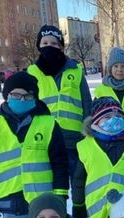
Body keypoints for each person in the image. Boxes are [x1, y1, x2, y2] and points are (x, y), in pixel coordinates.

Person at [0, 72, 69, 218]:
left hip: (43, 199)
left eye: (27, 95)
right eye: (16, 95)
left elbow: (60, 162)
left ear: (34, 98)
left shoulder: (48, 123)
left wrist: (60, 196)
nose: (22, 99)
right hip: (10, 200)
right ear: (7, 95)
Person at [27, 25, 92, 182]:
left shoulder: (75, 70)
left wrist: (89, 134)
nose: (50, 47)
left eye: (55, 43)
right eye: (45, 43)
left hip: (73, 138)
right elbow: (28, 105)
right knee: (51, 185)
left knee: (79, 184)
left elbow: (86, 103)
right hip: (44, 138)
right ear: (39, 46)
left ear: (61, 46)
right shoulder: (32, 72)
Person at [73, 97, 124, 218]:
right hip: (97, 211)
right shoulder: (85, 146)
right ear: (96, 122)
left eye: (118, 116)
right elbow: (79, 179)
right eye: (107, 117)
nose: (114, 120)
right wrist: (78, 204)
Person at [94, 47, 124, 112]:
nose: (119, 69)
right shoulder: (100, 91)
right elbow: (95, 114)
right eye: (116, 66)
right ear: (110, 69)